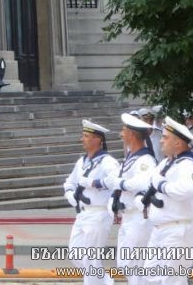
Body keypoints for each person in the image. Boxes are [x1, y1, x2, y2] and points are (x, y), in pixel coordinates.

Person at [141, 116, 193, 285]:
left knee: (173, 280)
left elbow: (186, 190)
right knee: (150, 276)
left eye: (165, 137)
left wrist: (162, 186)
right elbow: (152, 180)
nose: (161, 141)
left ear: (177, 142)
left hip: (178, 230)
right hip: (161, 229)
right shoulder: (166, 163)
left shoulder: (187, 164)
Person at [62, 120, 119, 285]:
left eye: (86, 136)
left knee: (90, 259)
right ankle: (106, 282)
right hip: (82, 213)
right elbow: (70, 181)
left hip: (99, 213)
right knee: (75, 254)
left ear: (97, 139)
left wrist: (93, 182)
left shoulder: (108, 161)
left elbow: (115, 181)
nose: (82, 139)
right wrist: (69, 193)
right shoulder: (82, 161)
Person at [103, 114, 156, 285]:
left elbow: (143, 182)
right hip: (128, 217)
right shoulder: (131, 158)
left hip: (139, 218)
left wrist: (120, 183)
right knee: (126, 264)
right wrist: (114, 198)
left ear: (132, 134)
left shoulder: (145, 160)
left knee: (135, 265)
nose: (121, 134)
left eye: (123, 130)